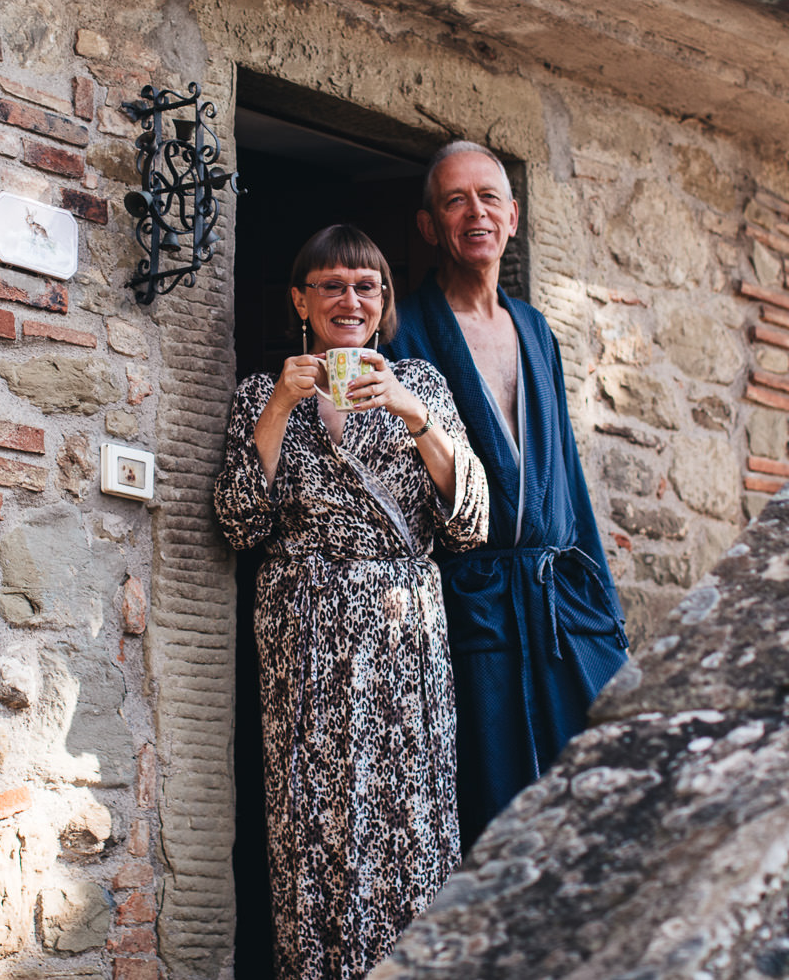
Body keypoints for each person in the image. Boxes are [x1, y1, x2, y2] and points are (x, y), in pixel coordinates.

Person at [214, 224, 488, 980]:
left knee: (411, 825)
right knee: (315, 827)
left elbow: (472, 522)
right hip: (306, 643)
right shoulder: (258, 397)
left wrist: (409, 411)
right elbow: (240, 522)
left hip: (404, 643)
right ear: (301, 299)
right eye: (331, 284)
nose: (350, 299)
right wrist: (278, 406)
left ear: (383, 301)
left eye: (366, 285)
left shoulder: (424, 385)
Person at [385, 141, 631, 850]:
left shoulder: (535, 329)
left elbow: (571, 484)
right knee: (495, 818)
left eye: (489, 197)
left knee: (599, 793)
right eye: (455, 200)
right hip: (475, 609)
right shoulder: (409, 330)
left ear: (513, 216)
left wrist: (607, 617)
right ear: (430, 225)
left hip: (560, 606)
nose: (476, 213)